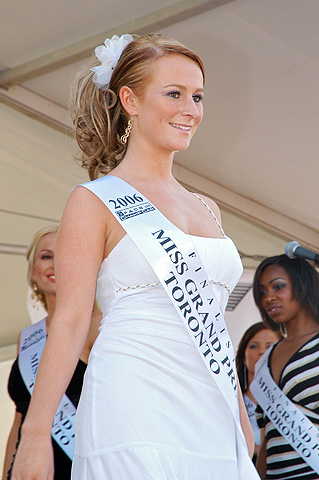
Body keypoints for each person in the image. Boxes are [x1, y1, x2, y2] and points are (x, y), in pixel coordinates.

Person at [11, 33, 259, 480]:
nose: (191, 109)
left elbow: (214, 326)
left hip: (213, 407)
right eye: (174, 94)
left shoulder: (208, 208)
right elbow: (69, 321)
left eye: (198, 96)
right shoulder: (94, 200)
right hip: (133, 399)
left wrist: (240, 416)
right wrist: (34, 434)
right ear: (130, 99)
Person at [2, 226, 101, 480]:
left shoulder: (97, 326)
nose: (56, 263)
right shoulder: (27, 338)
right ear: (33, 273)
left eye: (65, 254)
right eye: (46, 256)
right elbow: (22, 417)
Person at [251, 254, 319, 479]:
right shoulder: (265, 360)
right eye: (262, 292)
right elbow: (268, 435)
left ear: (303, 284)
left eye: (277, 287)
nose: (268, 298)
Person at [236, 322, 280, 462]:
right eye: (254, 346)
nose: (262, 352)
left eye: (270, 346)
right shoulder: (231, 402)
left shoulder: (295, 402)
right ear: (243, 356)